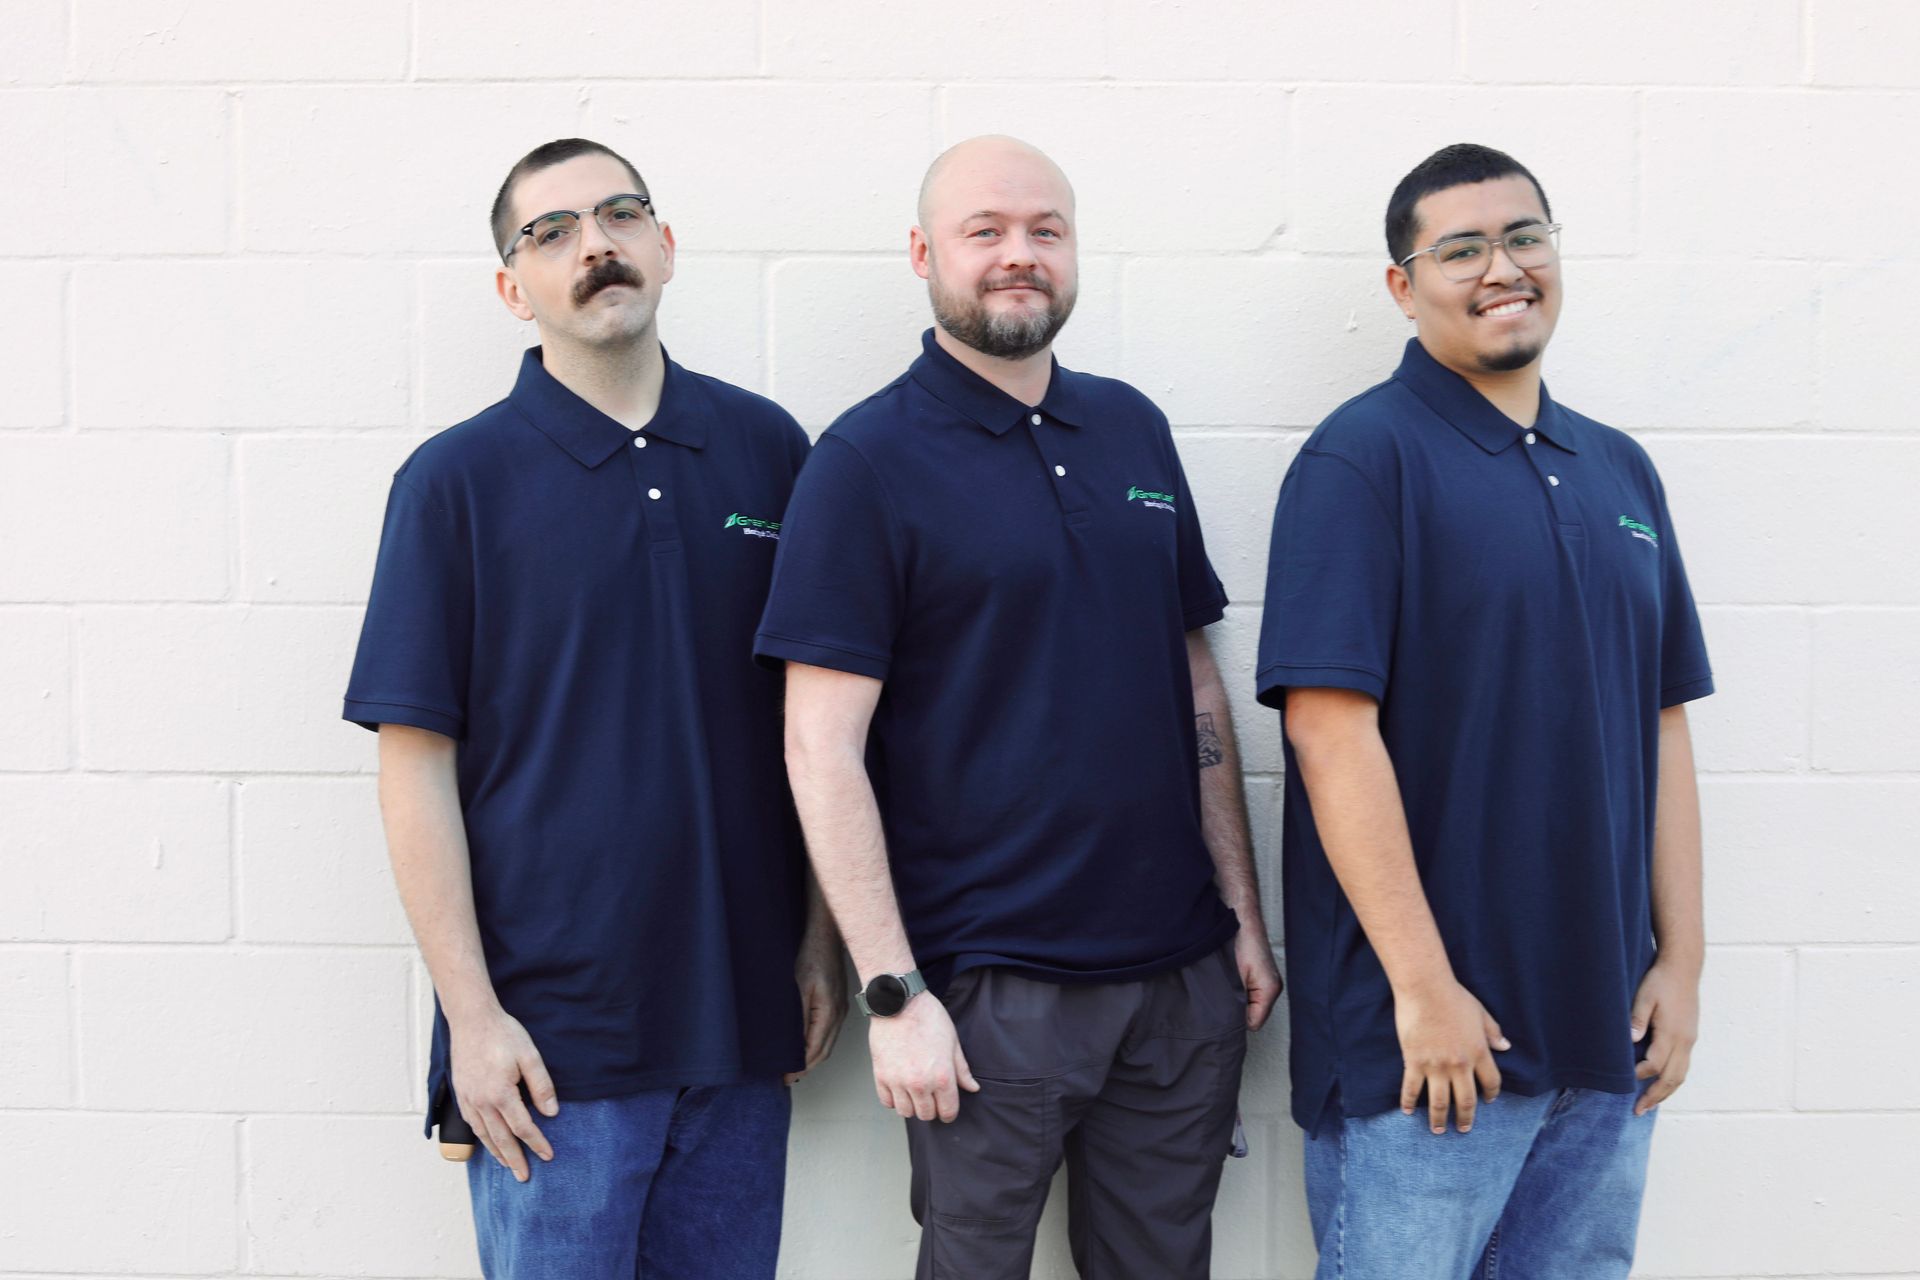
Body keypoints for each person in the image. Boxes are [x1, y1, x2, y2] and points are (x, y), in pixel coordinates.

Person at [754, 135, 1281, 1280]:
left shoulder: (1133, 428)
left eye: (1045, 230)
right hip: (991, 994)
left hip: (1178, 981)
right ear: (923, 253)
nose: (1018, 256)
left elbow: (1191, 679)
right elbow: (820, 744)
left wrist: (1240, 908)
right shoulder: (865, 459)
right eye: (984, 231)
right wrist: (892, 988)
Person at [342, 137, 844, 1279]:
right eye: (552, 231)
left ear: (666, 246)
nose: (595, 245)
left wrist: (817, 942)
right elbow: (414, 765)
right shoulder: (455, 482)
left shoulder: (771, 451)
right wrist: (471, 1017)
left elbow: (815, 726)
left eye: (621, 214)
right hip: (548, 1050)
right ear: (513, 288)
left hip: (739, 1027)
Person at [1256, 142, 1712, 1277]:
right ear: (1405, 288)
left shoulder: (1618, 470)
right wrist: (1425, 985)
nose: (1501, 266)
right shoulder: (1363, 460)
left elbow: (1662, 726)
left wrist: (1683, 963)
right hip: (1433, 1049)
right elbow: (1326, 728)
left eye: (1524, 236)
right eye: (1460, 248)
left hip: (1609, 1033)